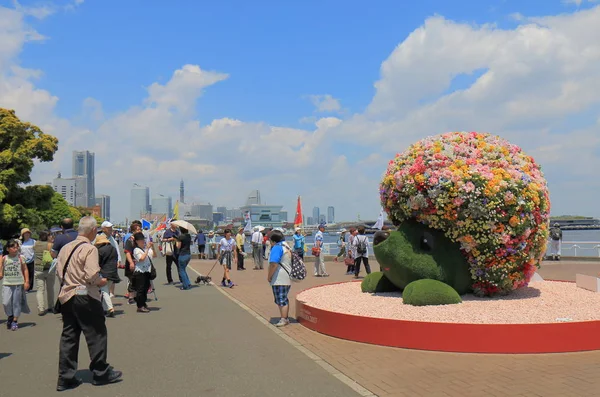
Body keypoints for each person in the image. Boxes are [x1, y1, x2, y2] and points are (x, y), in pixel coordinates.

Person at [56, 216, 122, 391]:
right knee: (97, 334)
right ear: (93, 230)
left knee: (69, 337)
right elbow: (92, 275)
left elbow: (59, 272)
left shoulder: (65, 248)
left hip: (67, 296)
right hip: (85, 295)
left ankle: (65, 377)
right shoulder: (89, 249)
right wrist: (101, 281)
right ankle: (100, 372)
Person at [1, 239, 30, 331]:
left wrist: (27, 281)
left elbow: (25, 269)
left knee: (16, 303)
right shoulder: (4, 258)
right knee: (6, 302)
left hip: (18, 283)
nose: (15, 249)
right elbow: (1, 270)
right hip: (7, 283)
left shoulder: (21, 258)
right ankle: (10, 315)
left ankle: (14, 321)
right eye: (13, 247)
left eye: (17, 247)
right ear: (8, 249)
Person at [267, 229, 291, 327]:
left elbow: (273, 264)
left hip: (279, 278)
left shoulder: (277, 247)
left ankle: (284, 319)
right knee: (284, 298)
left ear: (273, 240)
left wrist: (269, 276)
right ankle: (285, 317)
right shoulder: (286, 246)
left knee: (281, 299)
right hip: (287, 276)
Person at [95, 234, 120, 317]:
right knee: (107, 291)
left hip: (104, 272)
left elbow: (98, 263)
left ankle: (110, 308)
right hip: (113, 272)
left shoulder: (100, 250)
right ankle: (104, 309)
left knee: (104, 291)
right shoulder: (113, 249)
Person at [132, 232, 156, 311]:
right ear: (137, 241)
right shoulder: (136, 250)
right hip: (140, 272)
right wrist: (147, 249)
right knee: (140, 289)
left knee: (146, 288)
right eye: (141, 240)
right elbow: (141, 259)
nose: (143, 241)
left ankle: (143, 303)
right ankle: (140, 306)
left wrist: (152, 247)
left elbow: (155, 255)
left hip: (147, 271)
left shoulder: (146, 249)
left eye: (143, 239)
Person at [34, 230, 55, 315]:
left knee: (40, 290)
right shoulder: (50, 245)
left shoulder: (35, 244)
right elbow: (53, 255)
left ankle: (41, 308)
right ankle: (51, 306)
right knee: (50, 289)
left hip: (38, 269)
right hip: (49, 268)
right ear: (47, 236)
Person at [100, 221, 122, 298]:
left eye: (111, 228)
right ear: (103, 229)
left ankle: (111, 292)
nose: (110, 230)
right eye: (108, 228)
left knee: (112, 277)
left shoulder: (112, 239)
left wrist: (119, 260)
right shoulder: (99, 237)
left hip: (112, 261)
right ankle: (104, 293)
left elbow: (117, 249)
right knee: (103, 277)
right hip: (102, 261)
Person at [123, 221, 142, 304]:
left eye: (140, 229)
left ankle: (137, 296)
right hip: (132, 262)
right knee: (132, 280)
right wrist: (131, 262)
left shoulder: (140, 239)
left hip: (140, 262)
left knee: (139, 280)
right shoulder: (130, 240)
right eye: (138, 230)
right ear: (133, 231)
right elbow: (127, 252)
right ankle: (131, 297)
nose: (140, 231)